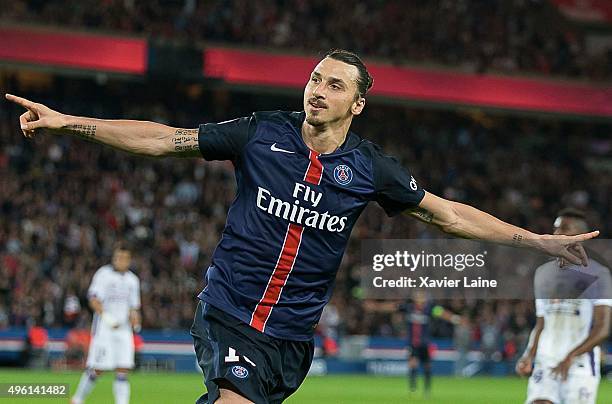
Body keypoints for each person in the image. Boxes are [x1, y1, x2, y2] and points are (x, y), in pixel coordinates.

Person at [6, 48, 599, 404]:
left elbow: (445, 213)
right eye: (316, 79)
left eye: (334, 85)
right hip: (230, 310)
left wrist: (534, 239)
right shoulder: (262, 132)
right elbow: (165, 139)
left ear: (357, 104)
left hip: (292, 341)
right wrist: (70, 123)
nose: (318, 90)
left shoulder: (369, 168)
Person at [515, 208, 611, 404]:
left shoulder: (598, 274)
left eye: (564, 229)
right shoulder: (542, 273)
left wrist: (570, 357)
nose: (556, 234)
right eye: (555, 229)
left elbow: (602, 328)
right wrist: (529, 355)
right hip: (546, 358)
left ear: (580, 237)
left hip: (580, 363)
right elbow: (541, 323)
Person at [70, 242, 141, 404]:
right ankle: (77, 399)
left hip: (123, 330)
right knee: (98, 368)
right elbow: (93, 300)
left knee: (123, 368)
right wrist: (107, 318)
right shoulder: (103, 274)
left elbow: (134, 307)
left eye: (124, 258)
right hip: (105, 329)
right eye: (118, 257)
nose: (120, 260)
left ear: (129, 260)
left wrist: (136, 320)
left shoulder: (133, 280)